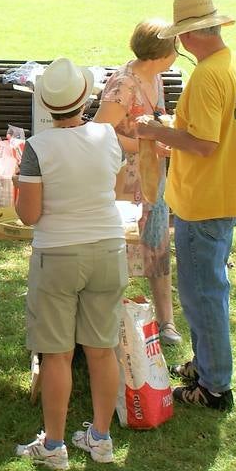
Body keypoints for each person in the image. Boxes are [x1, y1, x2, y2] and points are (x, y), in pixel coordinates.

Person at [137, 0, 236, 412]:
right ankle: (205, 363)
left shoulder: (207, 75)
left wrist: (155, 131)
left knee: (202, 294)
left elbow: (205, 144)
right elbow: (219, 132)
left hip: (203, 201)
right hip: (227, 192)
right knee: (208, 289)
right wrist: (174, 130)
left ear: (189, 37)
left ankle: (214, 387)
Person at [12, 59, 127, 470]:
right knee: (102, 349)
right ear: (86, 97)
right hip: (108, 248)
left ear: (46, 104)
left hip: (58, 253)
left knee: (57, 355)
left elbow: (28, 215)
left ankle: (55, 444)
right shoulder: (108, 136)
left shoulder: (38, 147)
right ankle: (100, 438)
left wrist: (16, 189)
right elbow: (113, 186)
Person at [93, 19, 182, 344]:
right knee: (121, 246)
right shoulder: (124, 85)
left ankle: (166, 321)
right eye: (175, 46)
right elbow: (101, 132)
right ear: (162, 51)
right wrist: (146, 145)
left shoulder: (154, 75)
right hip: (123, 178)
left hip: (151, 173)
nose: (178, 52)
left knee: (157, 243)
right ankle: (110, 320)